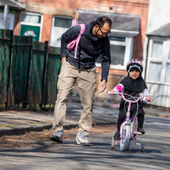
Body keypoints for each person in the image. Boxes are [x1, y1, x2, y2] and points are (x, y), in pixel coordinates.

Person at [50, 16, 112, 146]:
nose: (105, 35)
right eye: (104, 32)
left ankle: (82, 133)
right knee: (62, 97)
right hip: (70, 65)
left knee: (88, 104)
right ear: (96, 27)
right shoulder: (80, 30)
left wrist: (104, 79)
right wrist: (63, 57)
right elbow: (64, 38)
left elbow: (106, 59)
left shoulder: (104, 40)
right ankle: (58, 131)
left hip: (88, 70)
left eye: (108, 33)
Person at [109, 59, 151, 140]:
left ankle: (140, 128)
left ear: (140, 72)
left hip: (136, 103)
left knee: (141, 112)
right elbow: (120, 86)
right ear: (128, 72)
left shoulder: (141, 81)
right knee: (121, 116)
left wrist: (147, 96)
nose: (134, 73)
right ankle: (118, 132)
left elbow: (144, 90)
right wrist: (115, 90)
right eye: (132, 71)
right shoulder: (126, 80)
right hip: (126, 102)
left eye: (137, 71)